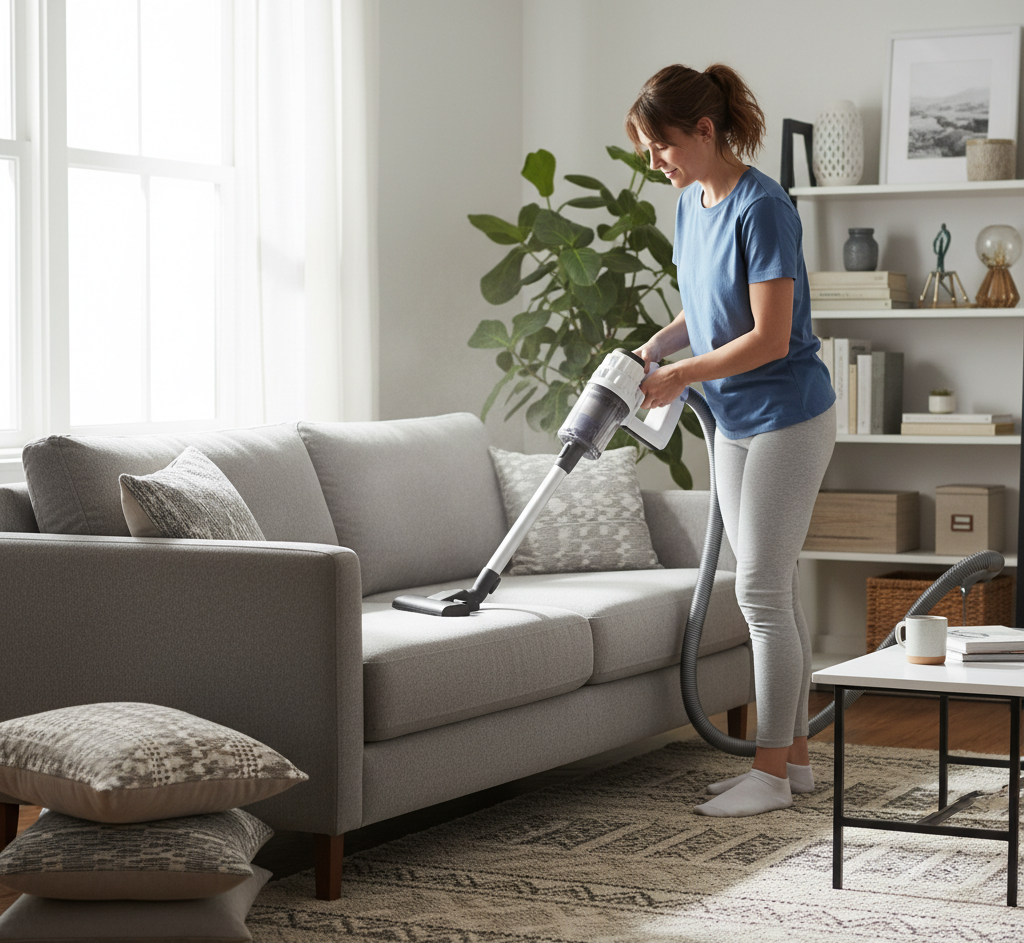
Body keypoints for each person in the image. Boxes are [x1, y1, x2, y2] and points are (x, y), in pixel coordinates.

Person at [625, 63, 836, 817]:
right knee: (770, 588)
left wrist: (681, 378)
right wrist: (663, 342)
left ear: (704, 132)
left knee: (757, 592)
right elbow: (711, 309)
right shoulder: (692, 203)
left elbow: (771, 336)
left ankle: (770, 774)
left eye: (662, 146)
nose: (656, 161)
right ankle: (798, 764)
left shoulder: (763, 205)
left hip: (789, 415)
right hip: (734, 419)